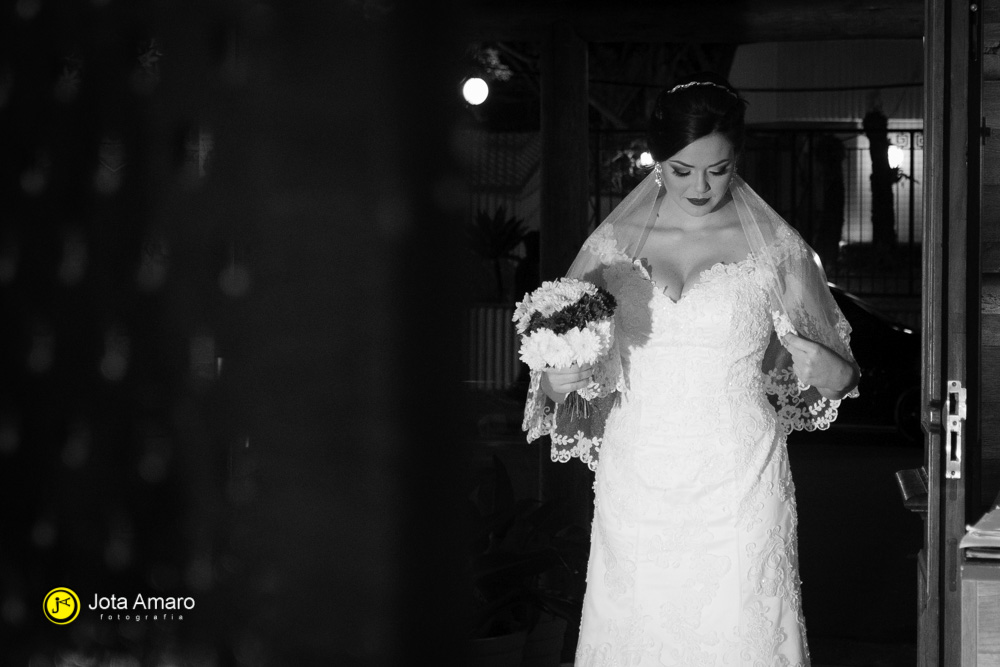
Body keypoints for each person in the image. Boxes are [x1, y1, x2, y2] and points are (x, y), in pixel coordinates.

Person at [521, 73, 860, 666]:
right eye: (682, 169)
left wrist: (836, 372)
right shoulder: (613, 247)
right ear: (658, 160)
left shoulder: (776, 248)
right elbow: (560, 355)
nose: (701, 186)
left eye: (718, 168)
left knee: (741, 629)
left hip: (739, 472)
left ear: (738, 159)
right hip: (637, 473)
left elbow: (840, 373)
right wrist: (556, 380)